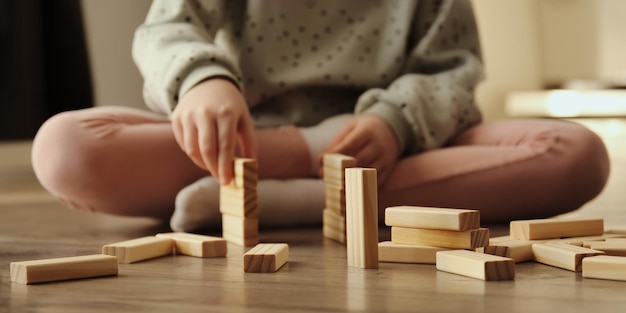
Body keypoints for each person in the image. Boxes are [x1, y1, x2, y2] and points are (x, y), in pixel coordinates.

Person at [31, 0, 609, 232]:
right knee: (64, 148)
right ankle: (295, 187)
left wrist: (393, 121)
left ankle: (289, 202)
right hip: (240, 144)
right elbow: (165, 26)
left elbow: (454, 73)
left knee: (577, 154)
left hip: (395, 151)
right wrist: (203, 80)